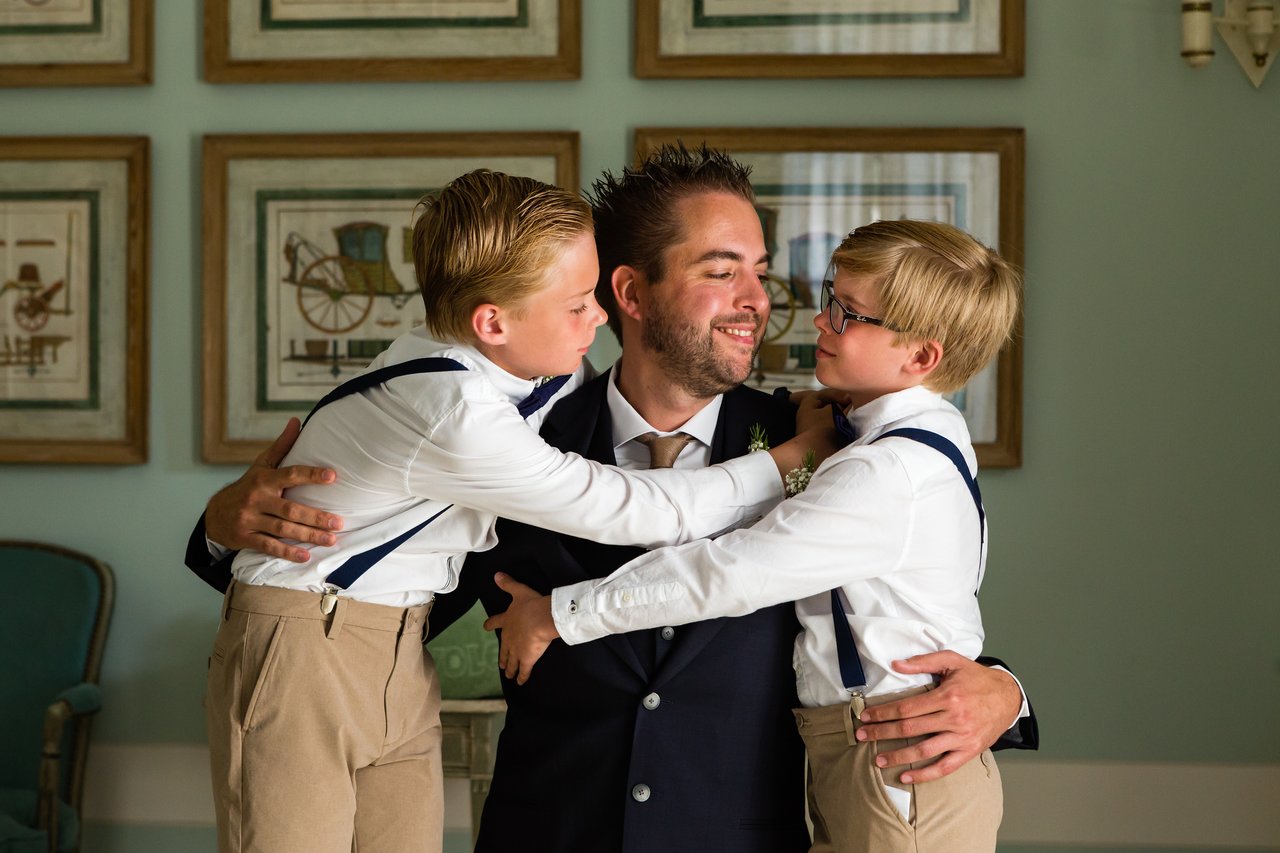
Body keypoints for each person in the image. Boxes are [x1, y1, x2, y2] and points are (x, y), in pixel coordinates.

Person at [188, 147, 1037, 853]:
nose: (759, 302)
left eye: (762, 272)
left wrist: (1006, 691)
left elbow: (918, 592)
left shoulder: (822, 438)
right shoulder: (512, 443)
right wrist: (225, 528)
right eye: (722, 270)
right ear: (629, 295)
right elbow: (374, 605)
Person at [489, 218, 1021, 852]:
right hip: (567, 821)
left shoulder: (885, 470)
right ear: (631, 293)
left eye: (847, 316)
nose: (818, 322)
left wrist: (558, 613)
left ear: (922, 356)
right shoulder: (518, 442)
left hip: (890, 762)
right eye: (831, 301)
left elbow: (731, 573)